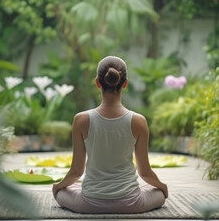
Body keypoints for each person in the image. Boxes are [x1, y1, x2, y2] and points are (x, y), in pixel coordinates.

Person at [52, 56, 168, 214]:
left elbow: (76, 172)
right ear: (125, 83)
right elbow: (145, 173)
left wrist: (58, 187)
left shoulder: (81, 120)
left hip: (89, 204)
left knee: (62, 192)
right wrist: (162, 186)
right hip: (131, 203)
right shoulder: (138, 121)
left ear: (98, 82)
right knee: (158, 194)